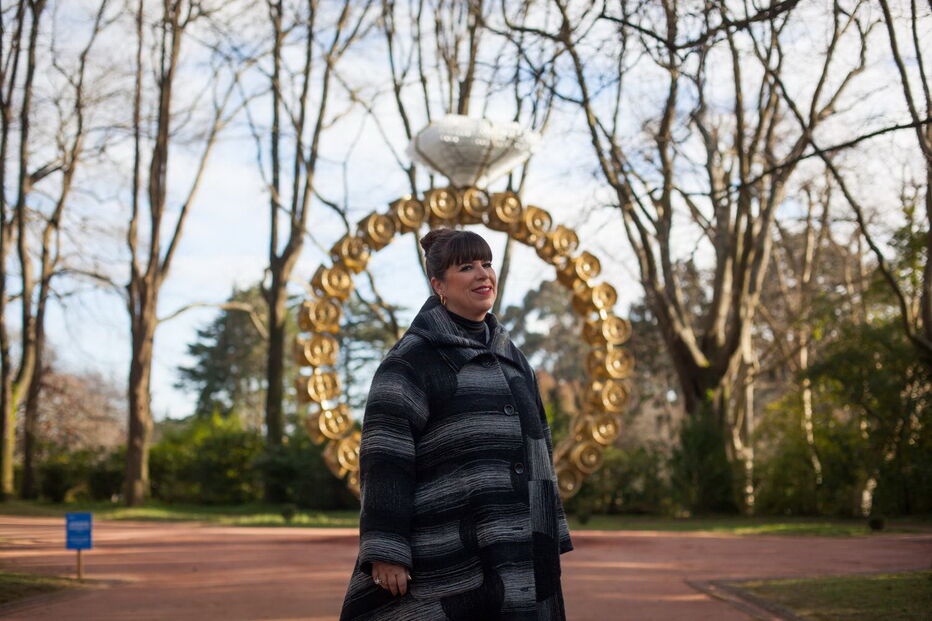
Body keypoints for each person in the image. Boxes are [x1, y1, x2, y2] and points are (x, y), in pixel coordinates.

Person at [339, 228, 573, 621]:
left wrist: (547, 534)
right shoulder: (412, 360)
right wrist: (385, 551)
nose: (483, 274)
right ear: (438, 285)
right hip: (446, 555)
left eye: (487, 264)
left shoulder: (513, 359)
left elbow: (540, 451)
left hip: (520, 553)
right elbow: (385, 459)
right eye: (467, 267)